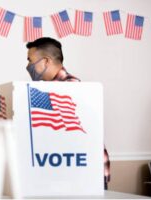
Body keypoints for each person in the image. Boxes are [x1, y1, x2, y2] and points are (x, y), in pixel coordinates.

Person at [25, 37, 111, 190]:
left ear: (45, 61)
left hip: (86, 173)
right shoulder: (50, 89)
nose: (28, 66)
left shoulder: (70, 88)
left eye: (30, 60)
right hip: (70, 170)